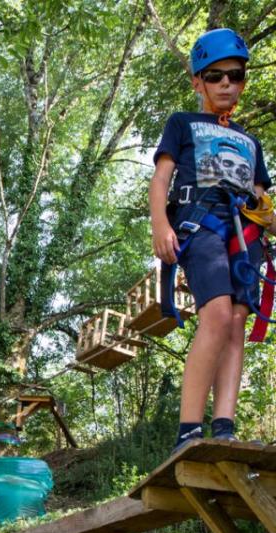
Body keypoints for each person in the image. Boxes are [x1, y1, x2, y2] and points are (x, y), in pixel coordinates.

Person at [150, 28, 273, 453]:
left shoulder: (251, 143)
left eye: (235, 76)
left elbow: (261, 200)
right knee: (217, 315)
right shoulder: (182, 124)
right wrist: (160, 225)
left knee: (237, 321)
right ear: (198, 81)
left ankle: (224, 425)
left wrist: (270, 221)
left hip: (245, 235)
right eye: (215, 75)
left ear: (242, 80)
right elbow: (161, 177)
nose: (226, 84)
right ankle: (188, 430)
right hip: (199, 227)